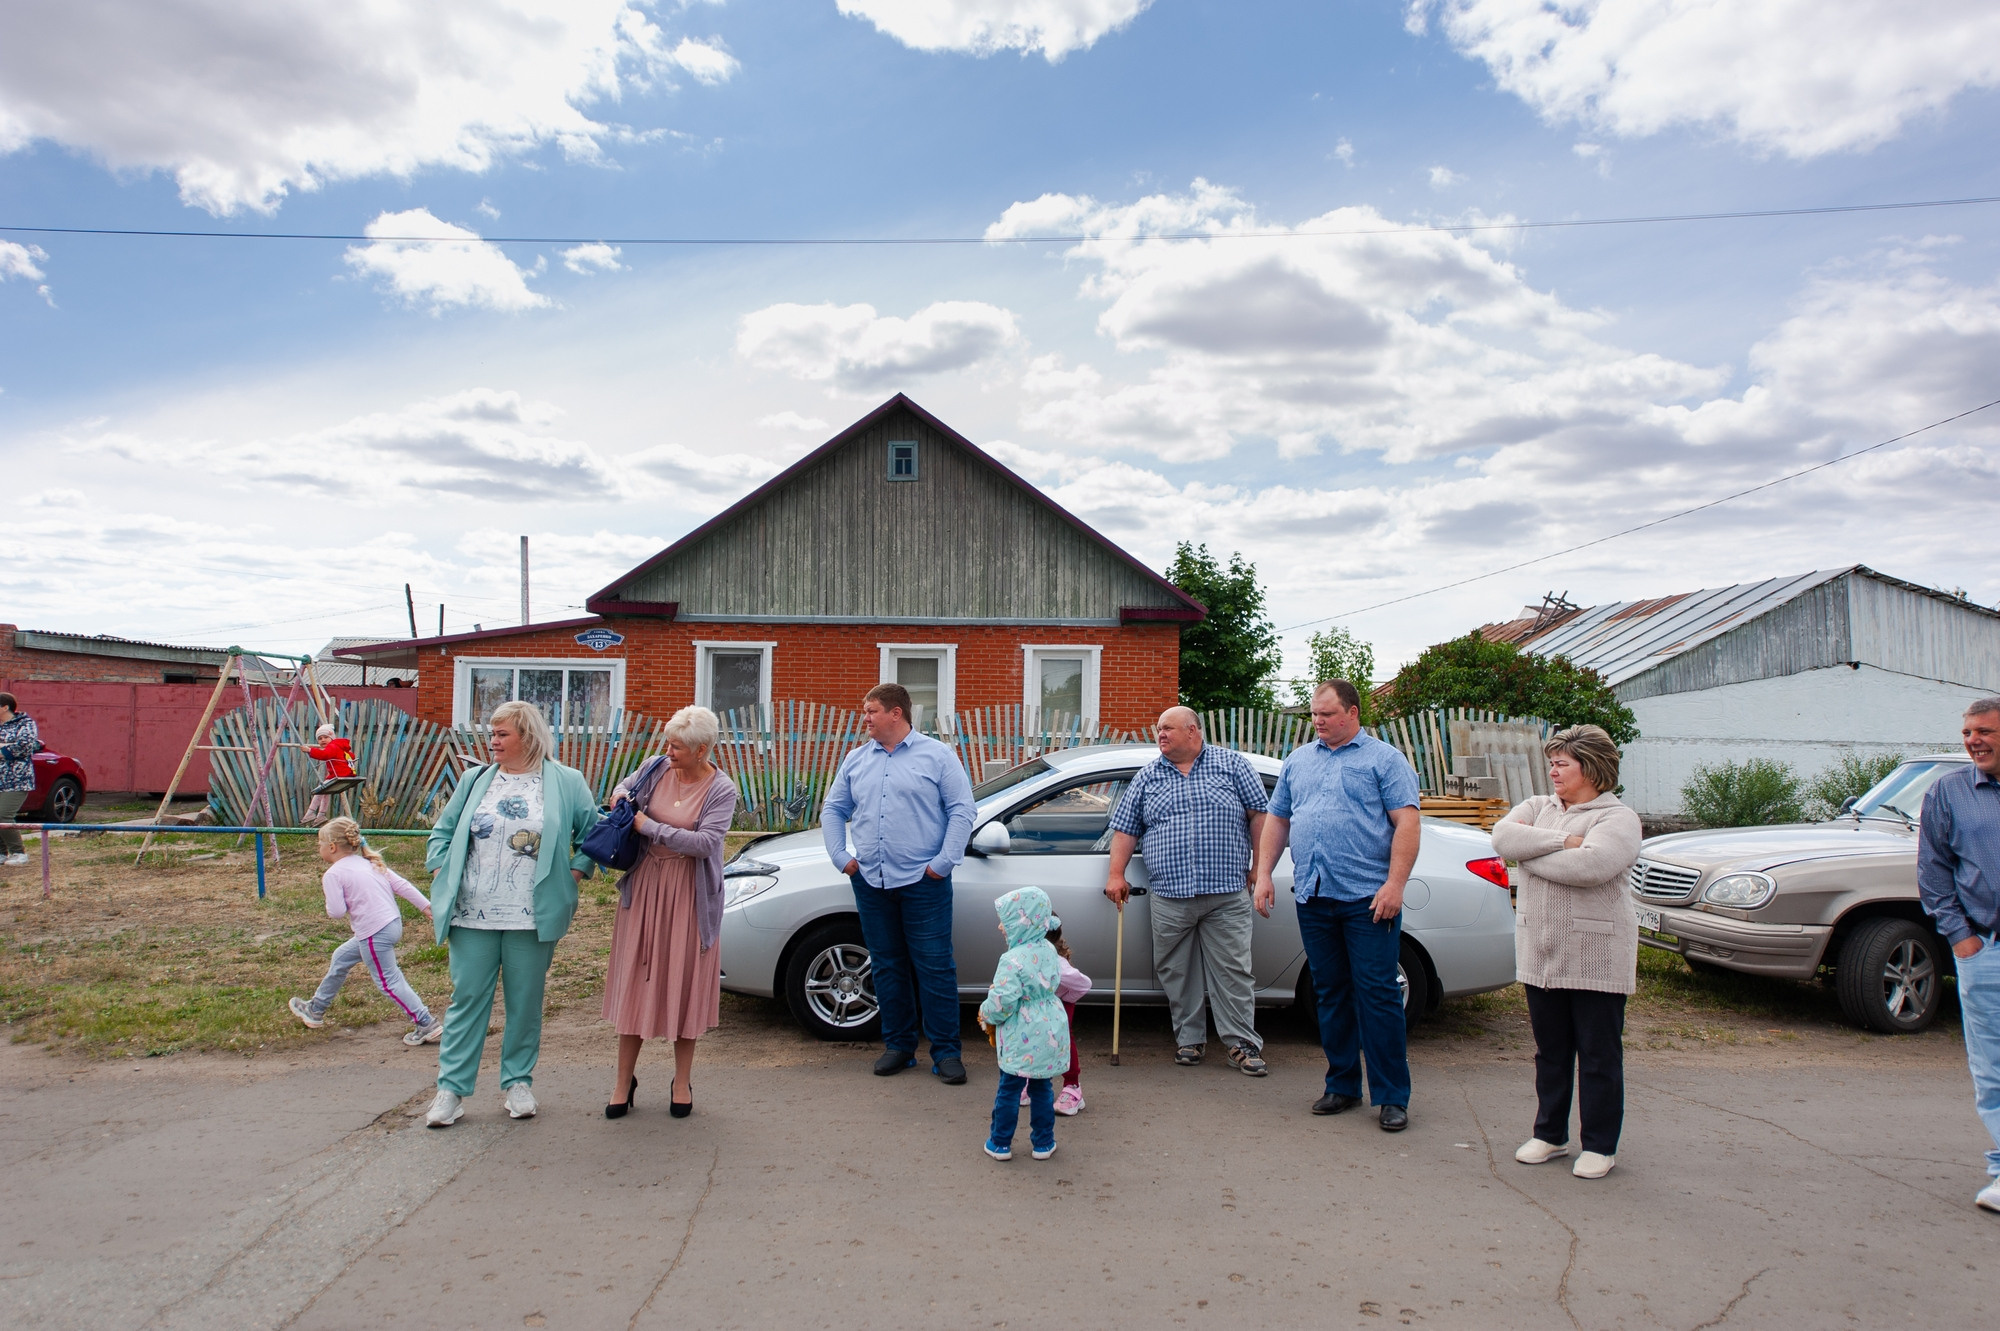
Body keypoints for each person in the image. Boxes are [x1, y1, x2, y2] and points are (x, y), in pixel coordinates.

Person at [421, 700, 600, 1128]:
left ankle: (518, 1082)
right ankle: (451, 1090)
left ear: (529, 736)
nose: (493, 741)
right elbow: (442, 833)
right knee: (466, 1000)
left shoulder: (566, 781)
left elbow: (591, 834)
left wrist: (574, 873)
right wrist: (441, 869)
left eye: (502, 734)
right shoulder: (475, 779)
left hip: (532, 915)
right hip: (471, 912)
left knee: (525, 1001)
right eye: (492, 733)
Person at [1254, 680, 1421, 1132]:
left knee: (1379, 995)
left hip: (1369, 898)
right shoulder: (1299, 761)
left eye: (1327, 714)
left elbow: (1407, 822)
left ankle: (1390, 1096)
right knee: (1329, 993)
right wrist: (1265, 873)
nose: (1318, 721)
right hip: (1314, 894)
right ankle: (1342, 1085)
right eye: (1314, 714)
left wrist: (1395, 884)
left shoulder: (1385, 761)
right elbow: (1278, 819)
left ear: (1352, 713)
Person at [1488, 725, 1643, 1180]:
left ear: (1591, 768)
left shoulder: (1617, 819)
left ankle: (1599, 1145)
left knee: (1598, 1053)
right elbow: (1501, 839)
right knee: (1550, 1051)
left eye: (1562, 764)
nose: (1552, 771)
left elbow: (1592, 867)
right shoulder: (1538, 807)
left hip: (1596, 953)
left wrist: (1530, 855)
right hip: (1542, 950)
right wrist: (1560, 842)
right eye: (1551, 763)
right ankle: (1550, 1135)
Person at [821, 681, 977, 1084]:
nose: (865, 718)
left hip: (924, 882)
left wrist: (943, 863)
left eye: (871, 711)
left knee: (935, 967)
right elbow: (834, 808)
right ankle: (899, 1047)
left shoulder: (938, 756)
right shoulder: (857, 759)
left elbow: (963, 810)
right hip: (872, 880)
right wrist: (842, 857)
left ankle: (945, 1052)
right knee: (888, 967)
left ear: (896, 713)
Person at [1105, 706, 1271, 1074]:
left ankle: (1241, 1044)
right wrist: (1116, 872)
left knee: (1233, 971)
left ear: (1193, 731)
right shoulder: (1148, 777)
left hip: (1226, 892)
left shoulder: (1232, 766)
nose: (1160, 735)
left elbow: (1260, 814)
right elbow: (1125, 828)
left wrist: (1260, 866)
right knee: (1176, 972)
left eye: (1168, 729)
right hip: (1169, 894)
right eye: (1159, 729)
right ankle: (1190, 1039)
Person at [600, 706, 739, 1120]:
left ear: (701, 750)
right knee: (635, 981)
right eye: (668, 743)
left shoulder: (722, 789)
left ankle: (681, 1080)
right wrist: (621, 797)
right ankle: (623, 1080)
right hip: (644, 887)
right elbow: (625, 787)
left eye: (677, 746)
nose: (668, 751)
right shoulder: (655, 766)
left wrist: (648, 827)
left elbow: (705, 844)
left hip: (688, 894)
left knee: (683, 982)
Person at [1918, 696, 2000, 1214]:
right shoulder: (1949, 793)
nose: (1974, 741)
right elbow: (1934, 870)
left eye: (1985, 732)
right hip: (1983, 949)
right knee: (1991, 1068)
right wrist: (1960, 938)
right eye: (1968, 733)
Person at [288, 816, 441, 1044]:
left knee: (389, 980)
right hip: (391, 925)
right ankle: (315, 1009)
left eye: (319, 843)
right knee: (341, 957)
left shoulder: (333, 874)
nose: (318, 848)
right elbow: (401, 885)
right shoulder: (370, 863)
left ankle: (426, 1023)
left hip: (373, 933)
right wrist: (426, 907)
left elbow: (337, 912)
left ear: (331, 847)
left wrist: (333, 903)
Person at [977, 887, 1069, 1161]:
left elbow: (1004, 1000)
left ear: (1022, 922)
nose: (1000, 926)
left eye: (1005, 920)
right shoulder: (1050, 950)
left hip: (1022, 1033)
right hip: (1050, 1024)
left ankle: (1000, 1142)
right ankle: (1043, 1143)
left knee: (1009, 1088)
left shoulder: (1011, 959)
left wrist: (986, 1014)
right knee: (1042, 1087)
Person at [1048, 920, 1091, 1115]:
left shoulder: (1057, 964)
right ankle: (1034, 1084)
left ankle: (1073, 1087)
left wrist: (1064, 1002)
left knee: (1062, 1040)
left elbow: (1083, 985)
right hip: (1035, 1010)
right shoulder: (1023, 956)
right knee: (1036, 1043)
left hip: (1057, 1005)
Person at [0, 693, 37, 867]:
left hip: (17, 779)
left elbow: (25, 746)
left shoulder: (25, 724)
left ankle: (18, 852)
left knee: (3, 814)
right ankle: (1, 853)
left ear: (5, 707)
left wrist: (4, 751)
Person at [302, 723, 356, 828]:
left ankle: (310, 813)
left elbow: (324, 755)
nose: (322, 740)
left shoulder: (332, 746)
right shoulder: (340, 747)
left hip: (338, 775)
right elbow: (352, 756)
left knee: (319, 791)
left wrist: (310, 750)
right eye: (320, 738)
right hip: (344, 774)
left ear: (332, 737)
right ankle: (321, 815)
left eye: (326, 737)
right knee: (326, 792)